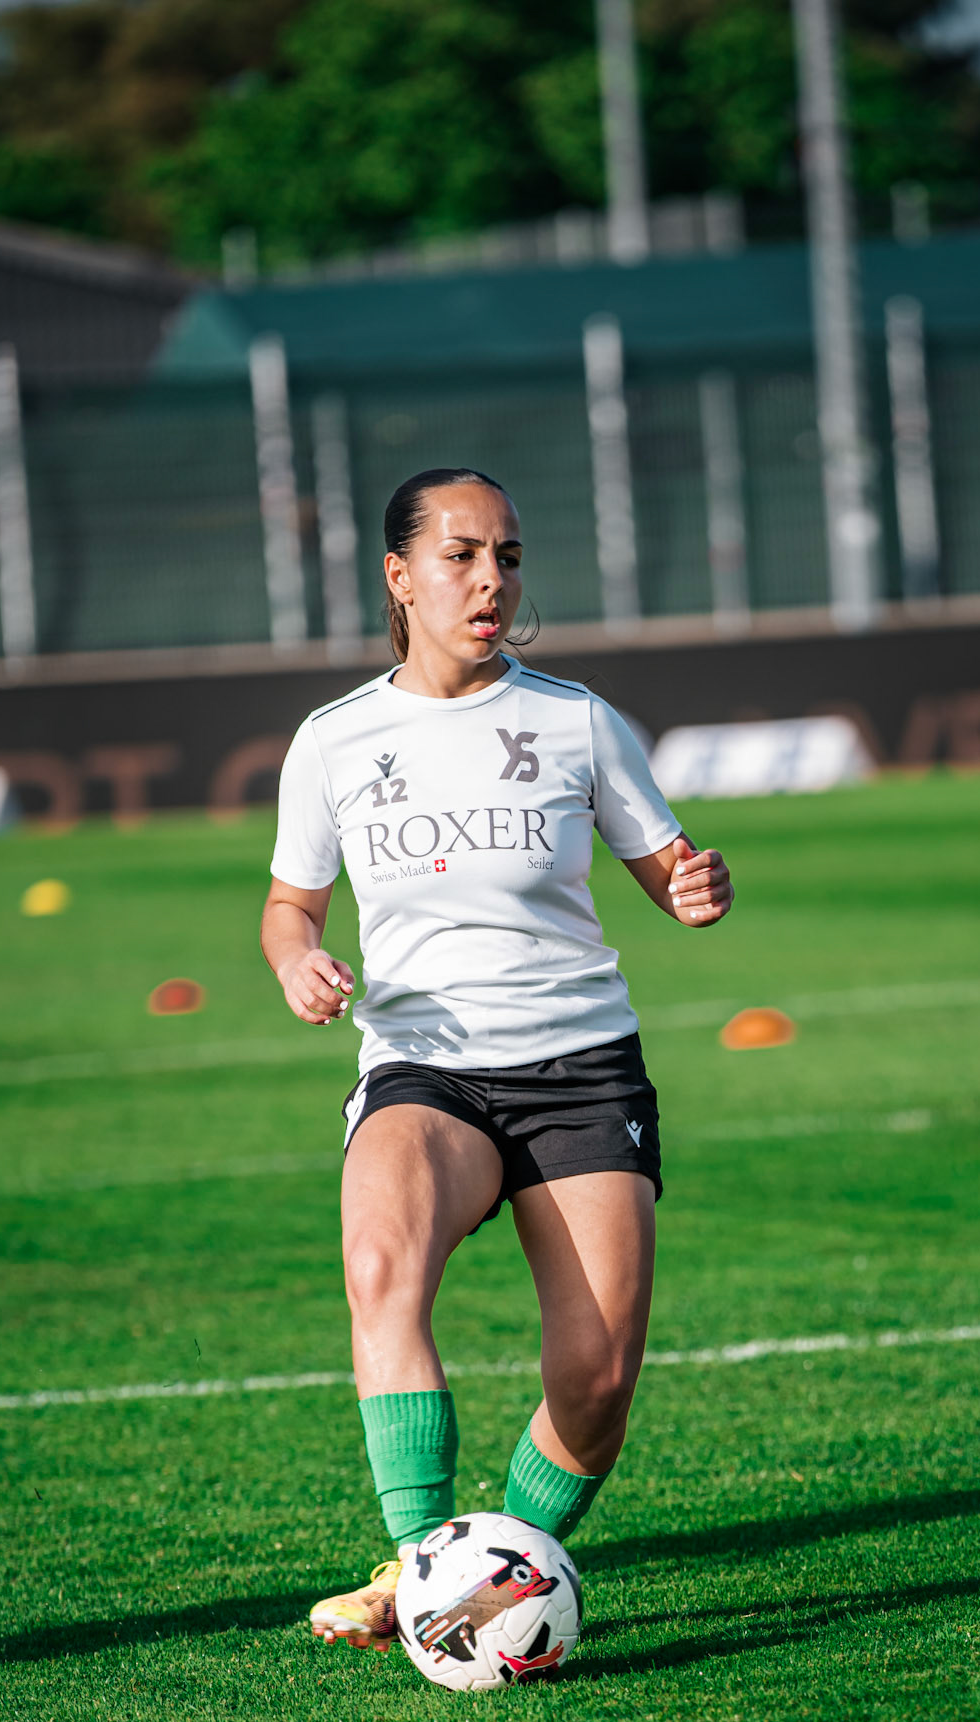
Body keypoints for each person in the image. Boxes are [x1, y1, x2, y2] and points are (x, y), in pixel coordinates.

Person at [261, 467, 733, 1652]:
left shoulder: (576, 719)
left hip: (580, 1066)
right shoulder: (334, 740)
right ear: (399, 575)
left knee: (598, 1373)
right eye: (463, 555)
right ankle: (421, 1570)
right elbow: (287, 903)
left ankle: (510, 1565)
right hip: (426, 1065)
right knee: (380, 1261)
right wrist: (297, 957)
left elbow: (670, 871)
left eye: (508, 558)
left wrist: (696, 886)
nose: (490, 581)